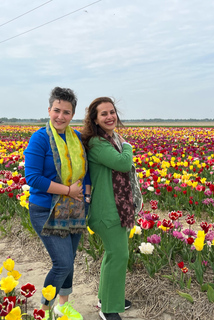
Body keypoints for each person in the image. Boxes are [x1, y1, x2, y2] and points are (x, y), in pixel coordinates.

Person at [24, 87, 91, 320]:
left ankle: (63, 305)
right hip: (45, 208)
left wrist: (87, 196)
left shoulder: (77, 139)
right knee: (62, 263)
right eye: (57, 110)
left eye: (66, 112)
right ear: (49, 110)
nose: (60, 116)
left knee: (69, 261)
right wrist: (68, 190)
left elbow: (87, 171)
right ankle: (42, 311)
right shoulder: (40, 138)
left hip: (76, 208)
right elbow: (32, 177)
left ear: (73, 115)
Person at [81, 97, 142, 320]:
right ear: (95, 119)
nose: (110, 117)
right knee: (118, 255)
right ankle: (108, 309)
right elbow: (123, 163)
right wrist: (127, 146)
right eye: (103, 114)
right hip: (107, 210)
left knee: (112, 255)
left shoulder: (110, 139)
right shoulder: (98, 143)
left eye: (112, 112)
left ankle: (105, 297)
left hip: (119, 207)